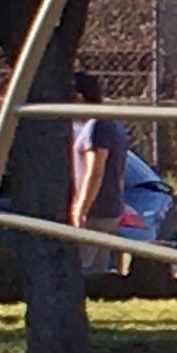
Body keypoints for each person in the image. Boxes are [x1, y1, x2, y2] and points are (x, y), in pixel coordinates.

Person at [68, 72, 133, 269]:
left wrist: (81, 209)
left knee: (83, 268)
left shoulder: (96, 126)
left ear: (79, 98)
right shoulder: (111, 122)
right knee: (99, 269)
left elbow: (95, 170)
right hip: (107, 209)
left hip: (95, 212)